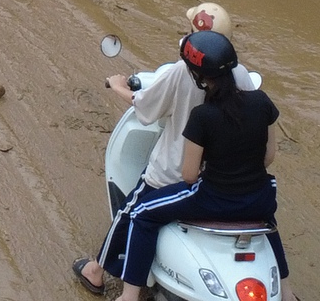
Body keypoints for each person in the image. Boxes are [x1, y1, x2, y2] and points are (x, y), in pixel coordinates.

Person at [77, 27, 285, 300]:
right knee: (267, 221)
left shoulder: (189, 88)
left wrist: (118, 86)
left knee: (134, 210)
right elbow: (267, 157)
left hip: (184, 178)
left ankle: (100, 273)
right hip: (252, 192)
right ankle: (288, 291)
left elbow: (149, 110)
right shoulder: (255, 92)